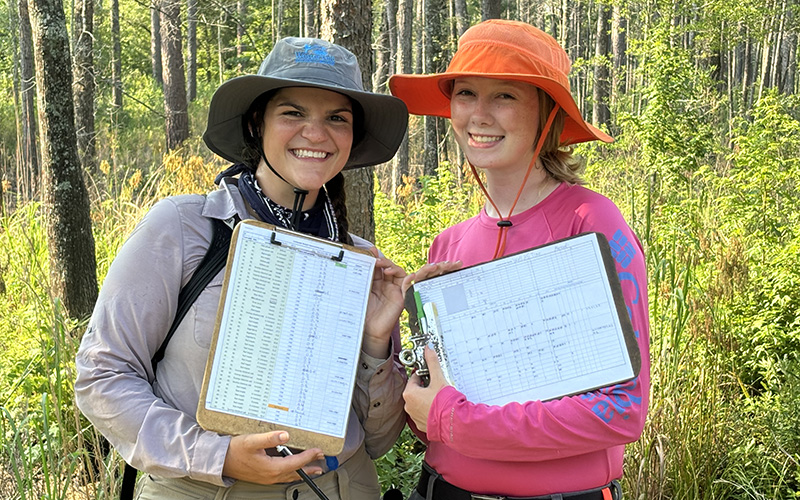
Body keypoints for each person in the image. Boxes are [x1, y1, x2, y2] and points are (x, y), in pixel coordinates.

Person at [75, 37, 410, 499]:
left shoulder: (358, 261)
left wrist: (375, 342)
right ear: (257, 124)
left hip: (343, 486)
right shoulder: (186, 229)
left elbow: (377, 439)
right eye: (293, 113)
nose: (316, 133)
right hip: (203, 489)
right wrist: (217, 455)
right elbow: (102, 376)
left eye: (337, 118)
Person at [388, 19, 650, 500]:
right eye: (465, 93)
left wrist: (454, 419)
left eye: (505, 95)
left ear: (547, 115)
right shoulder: (448, 246)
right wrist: (396, 341)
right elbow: (430, 422)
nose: (479, 115)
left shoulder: (591, 223)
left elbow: (623, 410)